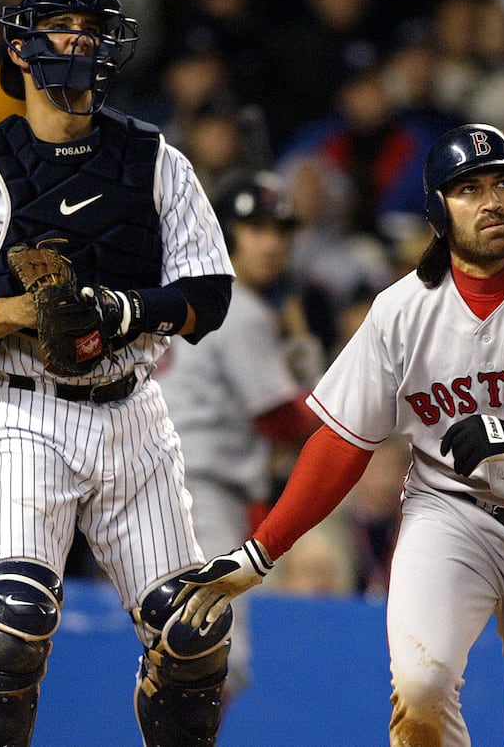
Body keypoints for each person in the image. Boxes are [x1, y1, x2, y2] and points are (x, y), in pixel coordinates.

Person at [178, 123, 504, 745]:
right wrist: (261, 551)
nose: (492, 199)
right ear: (438, 212)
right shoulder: (404, 309)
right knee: (419, 689)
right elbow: (341, 441)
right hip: (453, 513)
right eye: (468, 188)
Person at [0, 0, 237, 746]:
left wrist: (118, 308)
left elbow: (209, 294)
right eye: (61, 25)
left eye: (92, 25)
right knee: (12, 625)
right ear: (19, 47)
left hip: (134, 413)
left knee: (193, 637)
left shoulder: (155, 160)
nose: (79, 38)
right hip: (26, 409)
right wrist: (25, 311)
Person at [155, 170, 323, 698]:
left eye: (279, 230)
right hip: (201, 491)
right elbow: (283, 422)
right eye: (254, 229)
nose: (270, 243)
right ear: (225, 234)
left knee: (183, 653)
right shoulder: (242, 309)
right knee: (215, 656)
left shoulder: (195, 296)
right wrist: (322, 389)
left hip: (164, 483)